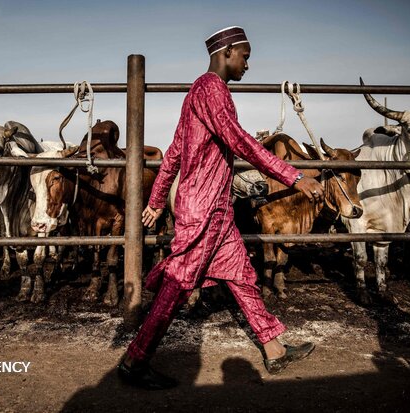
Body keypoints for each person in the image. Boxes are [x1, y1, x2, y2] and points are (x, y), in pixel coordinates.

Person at [118, 26, 324, 390]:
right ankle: (136, 360)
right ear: (227, 51)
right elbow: (240, 140)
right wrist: (294, 177)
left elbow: (175, 154)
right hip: (205, 209)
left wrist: (155, 200)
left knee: (241, 275)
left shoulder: (195, 93)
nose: (247, 64)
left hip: (213, 208)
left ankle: (274, 350)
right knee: (178, 285)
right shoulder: (213, 90)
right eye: (245, 56)